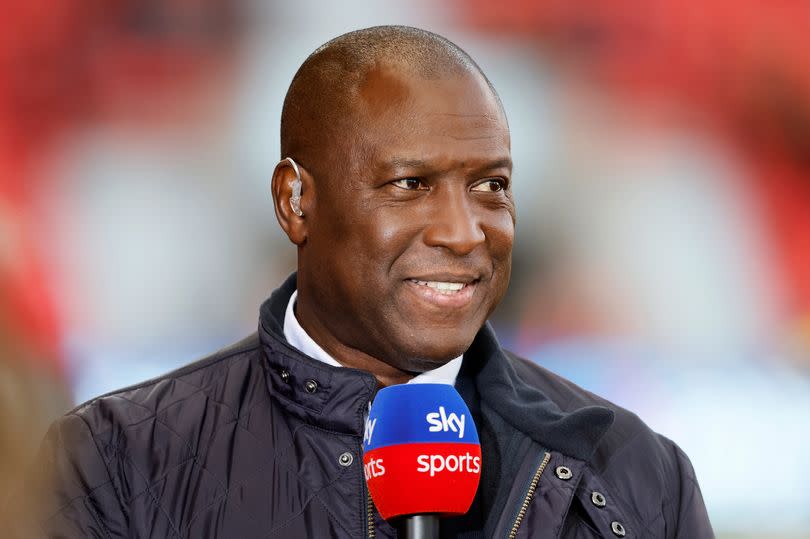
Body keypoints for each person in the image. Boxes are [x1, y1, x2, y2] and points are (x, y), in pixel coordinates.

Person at [28, 26, 713, 538]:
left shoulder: (638, 471)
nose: (463, 231)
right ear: (296, 202)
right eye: (410, 185)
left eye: (490, 185)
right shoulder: (115, 459)